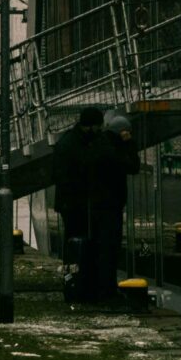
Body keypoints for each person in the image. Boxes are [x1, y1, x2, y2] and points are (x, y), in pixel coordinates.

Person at [76, 110, 139, 307]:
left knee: (100, 248)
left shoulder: (99, 145)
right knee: (109, 249)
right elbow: (133, 166)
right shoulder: (112, 150)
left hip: (97, 205)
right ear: (122, 132)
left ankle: (98, 289)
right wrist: (129, 144)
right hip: (109, 207)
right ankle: (107, 291)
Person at [51, 106, 105, 305]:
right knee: (76, 244)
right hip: (74, 204)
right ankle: (77, 282)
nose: (99, 130)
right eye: (98, 126)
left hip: (70, 203)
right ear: (90, 126)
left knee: (73, 244)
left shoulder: (70, 141)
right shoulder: (74, 145)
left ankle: (74, 281)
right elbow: (72, 174)